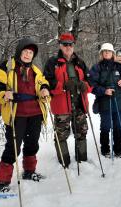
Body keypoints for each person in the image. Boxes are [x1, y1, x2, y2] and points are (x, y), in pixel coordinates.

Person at [0, 37, 50, 192]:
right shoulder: (7, 67)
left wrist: (44, 89)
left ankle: (29, 172)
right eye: (25, 51)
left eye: (31, 52)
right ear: (19, 51)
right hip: (16, 113)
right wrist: (4, 94)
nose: (28, 55)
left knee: (32, 144)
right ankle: (2, 181)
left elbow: (43, 82)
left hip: (35, 112)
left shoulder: (35, 70)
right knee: (13, 147)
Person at [43, 32, 91, 167]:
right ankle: (64, 162)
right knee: (61, 136)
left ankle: (82, 160)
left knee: (81, 132)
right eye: (65, 44)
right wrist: (62, 86)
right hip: (62, 107)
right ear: (60, 45)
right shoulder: (52, 63)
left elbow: (90, 80)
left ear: (73, 45)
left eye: (70, 44)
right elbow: (46, 82)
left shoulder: (80, 62)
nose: (68, 47)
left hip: (79, 104)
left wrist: (85, 85)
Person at [89, 43, 121, 158]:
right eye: (104, 51)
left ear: (112, 53)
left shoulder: (119, 66)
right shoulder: (96, 68)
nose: (107, 53)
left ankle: (118, 149)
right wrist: (104, 91)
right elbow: (91, 85)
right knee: (105, 126)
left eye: (109, 51)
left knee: (118, 126)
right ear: (101, 54)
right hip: (104, 103)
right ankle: (105, 149)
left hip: (119, 103)